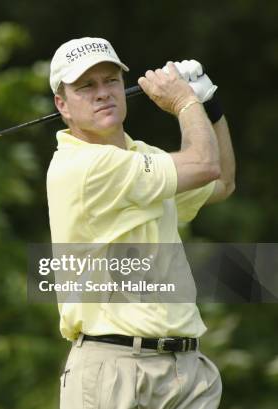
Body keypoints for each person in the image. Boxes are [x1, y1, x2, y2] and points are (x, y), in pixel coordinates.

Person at [46, 37, 236, 408]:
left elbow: (222, 181)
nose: (103, 93)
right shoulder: (82, 167)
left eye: (111, 81)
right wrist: (185, 102)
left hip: (185, 370)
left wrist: (210, 106)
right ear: (62, 105)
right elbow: (204, 163)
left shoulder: (142, 158)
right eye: (86, 86)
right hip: (114, 369)